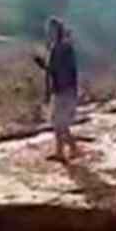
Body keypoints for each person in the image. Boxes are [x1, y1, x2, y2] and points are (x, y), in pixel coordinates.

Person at [45, 17, 79, 162]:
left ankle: (70, 149)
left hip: (64, 89)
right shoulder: (61, 47)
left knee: (59, 123)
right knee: (59, 123)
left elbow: (62, 70)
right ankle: (66, 150)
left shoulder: (62, 48)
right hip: (63, 88)